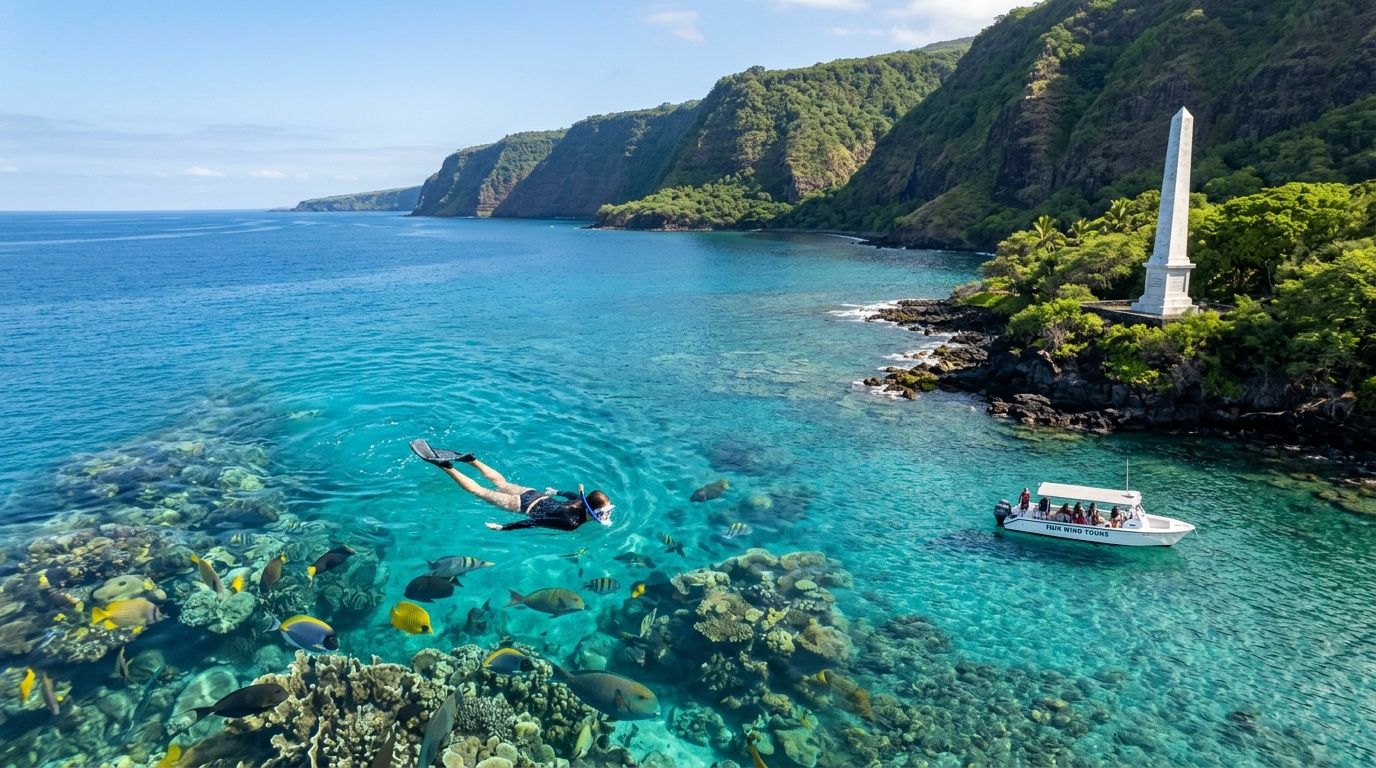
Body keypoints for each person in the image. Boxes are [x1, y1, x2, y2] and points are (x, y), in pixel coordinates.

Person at [410, 439, 614, 532]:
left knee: (501, 482)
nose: (605, 516)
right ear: (592, 511)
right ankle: (447, 467)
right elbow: (536, 522)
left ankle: (472, 460)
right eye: (603, 513)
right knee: (478, 491)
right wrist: (504, 527)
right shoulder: (572, 524)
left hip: (534, 494)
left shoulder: (579, 501)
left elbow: (570, 494)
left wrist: (556, 492)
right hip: (523, 505)